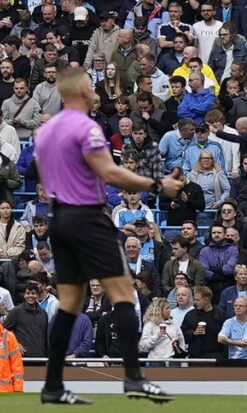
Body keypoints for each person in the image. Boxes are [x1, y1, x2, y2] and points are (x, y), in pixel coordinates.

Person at [34, 63, 182, 403]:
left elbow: (46, 177)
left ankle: (53, 385)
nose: (94, 88)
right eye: (90, 84)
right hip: (88, 216)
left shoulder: (45, 132)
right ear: (82, 91)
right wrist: (158, 184)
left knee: (70, 304)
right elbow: (110, 173)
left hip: (59, 218)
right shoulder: (87, 128)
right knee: (125, 296)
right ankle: (133, 378)